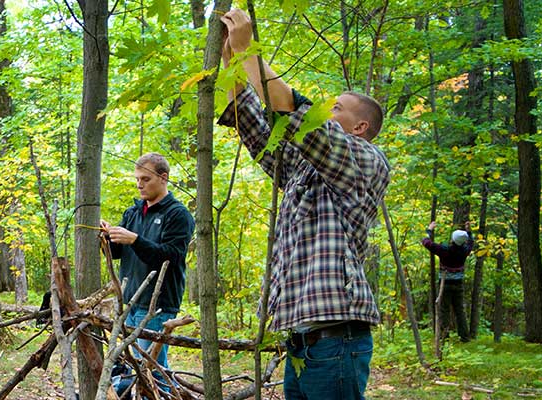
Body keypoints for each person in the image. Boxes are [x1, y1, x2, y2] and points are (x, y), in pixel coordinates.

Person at [216, 9, 390, 399]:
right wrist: (232, 63)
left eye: (336, 108)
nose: (326, 110)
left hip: (336, 340)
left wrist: (250, 53)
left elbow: (295, 112)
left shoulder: (365, 162)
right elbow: (259, 133)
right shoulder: (303, 169)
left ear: (359, 127)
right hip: (300, 342)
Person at [101, 152, 195, 372]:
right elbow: (117, 253)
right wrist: (106, 237)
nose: (139, 185)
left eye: (145, 179)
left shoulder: (178, 214)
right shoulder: (133, 213)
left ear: (163, 178)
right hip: (130, 299)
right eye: (137, 179)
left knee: (151, 367)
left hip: (157, 303)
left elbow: (171, 256)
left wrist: (135, 239)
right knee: (140, 366)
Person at [421, 221, 473, 342]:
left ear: (453, 239)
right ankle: (465, 337)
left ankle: (444, 336)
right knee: (460, 311)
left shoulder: (444, 250)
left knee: (444, 310)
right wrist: (469, 231)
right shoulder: (464, 251)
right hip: (458, 284)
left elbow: (426, 242)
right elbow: (471, 243)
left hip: (445, 284)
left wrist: (429, 229)